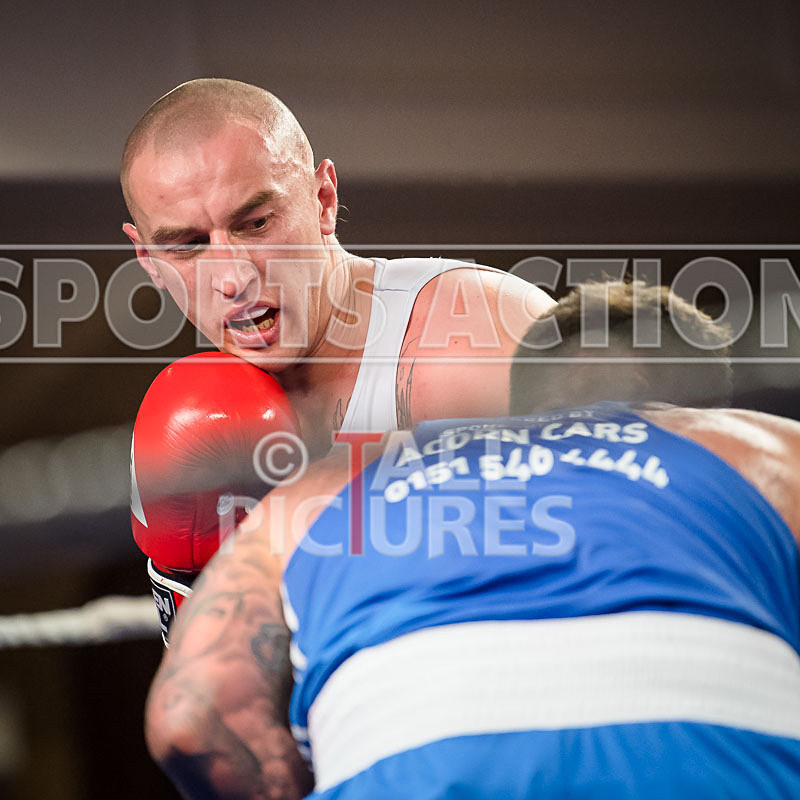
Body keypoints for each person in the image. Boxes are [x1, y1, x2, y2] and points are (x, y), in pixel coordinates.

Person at [143, 281, 800, 798]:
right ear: (703, 402)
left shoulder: (331, 484)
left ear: (520, 401)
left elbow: (189, 719)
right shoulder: (757, 447)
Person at [121, 78, 555, 459]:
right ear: (150, 263)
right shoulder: (195, 424)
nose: (233, 280)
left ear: (324, 200)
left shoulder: (470, 342)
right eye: (188, 246)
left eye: (256, 224)